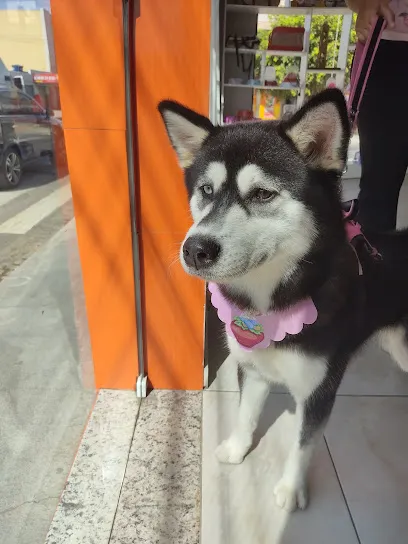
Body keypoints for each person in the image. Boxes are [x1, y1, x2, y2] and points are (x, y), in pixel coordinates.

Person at [347, 0, 408, 234]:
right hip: (386, 48)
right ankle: (373, 267)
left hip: (387, 51)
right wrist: (364, 4)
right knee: (377, 194)